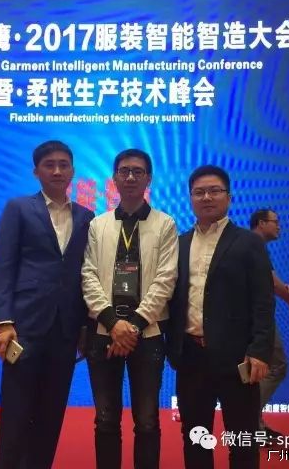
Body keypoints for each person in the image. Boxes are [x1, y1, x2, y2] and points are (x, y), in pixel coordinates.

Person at [0, 140, 94, 469]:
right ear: (36, 171)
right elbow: (2, 267)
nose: (58, 171)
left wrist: (83, 327)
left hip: (65, 330)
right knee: (16, 411)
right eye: (50, 165)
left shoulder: (86, 217)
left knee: (51, 413)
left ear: (73, 171)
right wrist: (3, 321)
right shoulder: (19, 208)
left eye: (64, 164)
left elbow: (84, 275)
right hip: (24, 327)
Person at [167, 165, 275, 469]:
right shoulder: (179, 243)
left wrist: (259, 350)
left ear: (229, 197)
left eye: (214, 191)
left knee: (242, 440)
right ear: (190, 198)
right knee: (195, 438)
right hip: (191, 357)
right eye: (199, 192)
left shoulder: (248, 242)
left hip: (237, 357)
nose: (206, 197)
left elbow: (263, 301)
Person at [82, 149, 178, 469]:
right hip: (104, 332)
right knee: (105, 419)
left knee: (147, 420)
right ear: (114, 179)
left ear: (149, 178)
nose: (131, 177)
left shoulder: (165, 224)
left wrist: (132, 325)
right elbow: (88, 276)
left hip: (147, 334)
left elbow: (165, 280)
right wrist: (113, 323)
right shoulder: (98, 224)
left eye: (138, 171)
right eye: (124, 171)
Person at [249, 208, 289, 439]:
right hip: (256, 319)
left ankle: (255, 424)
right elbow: (271, 281)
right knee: (276, 366)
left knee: (255, 371)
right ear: (261, 223)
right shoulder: (254, 244)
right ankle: (249, 418)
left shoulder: (251, 244)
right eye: (275, 222)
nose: (279, 226)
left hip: (248, 318)